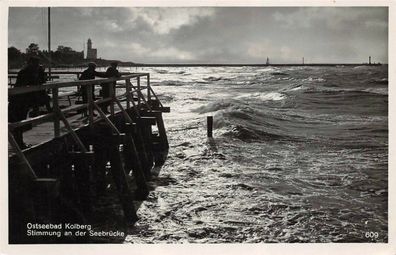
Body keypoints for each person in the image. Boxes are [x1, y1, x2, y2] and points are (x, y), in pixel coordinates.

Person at [8, 56, 49, 149]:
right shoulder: (25, 72)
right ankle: (19, 144)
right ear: (30, 63)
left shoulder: (30, 71)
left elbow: (40, 83)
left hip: (23, 100)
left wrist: (41, 73)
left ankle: (19, 144)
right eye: (35, 64)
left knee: (20, 122)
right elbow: (35, 83)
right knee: (18, 122)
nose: (36, 66)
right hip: (18, 100)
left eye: (37, 64)